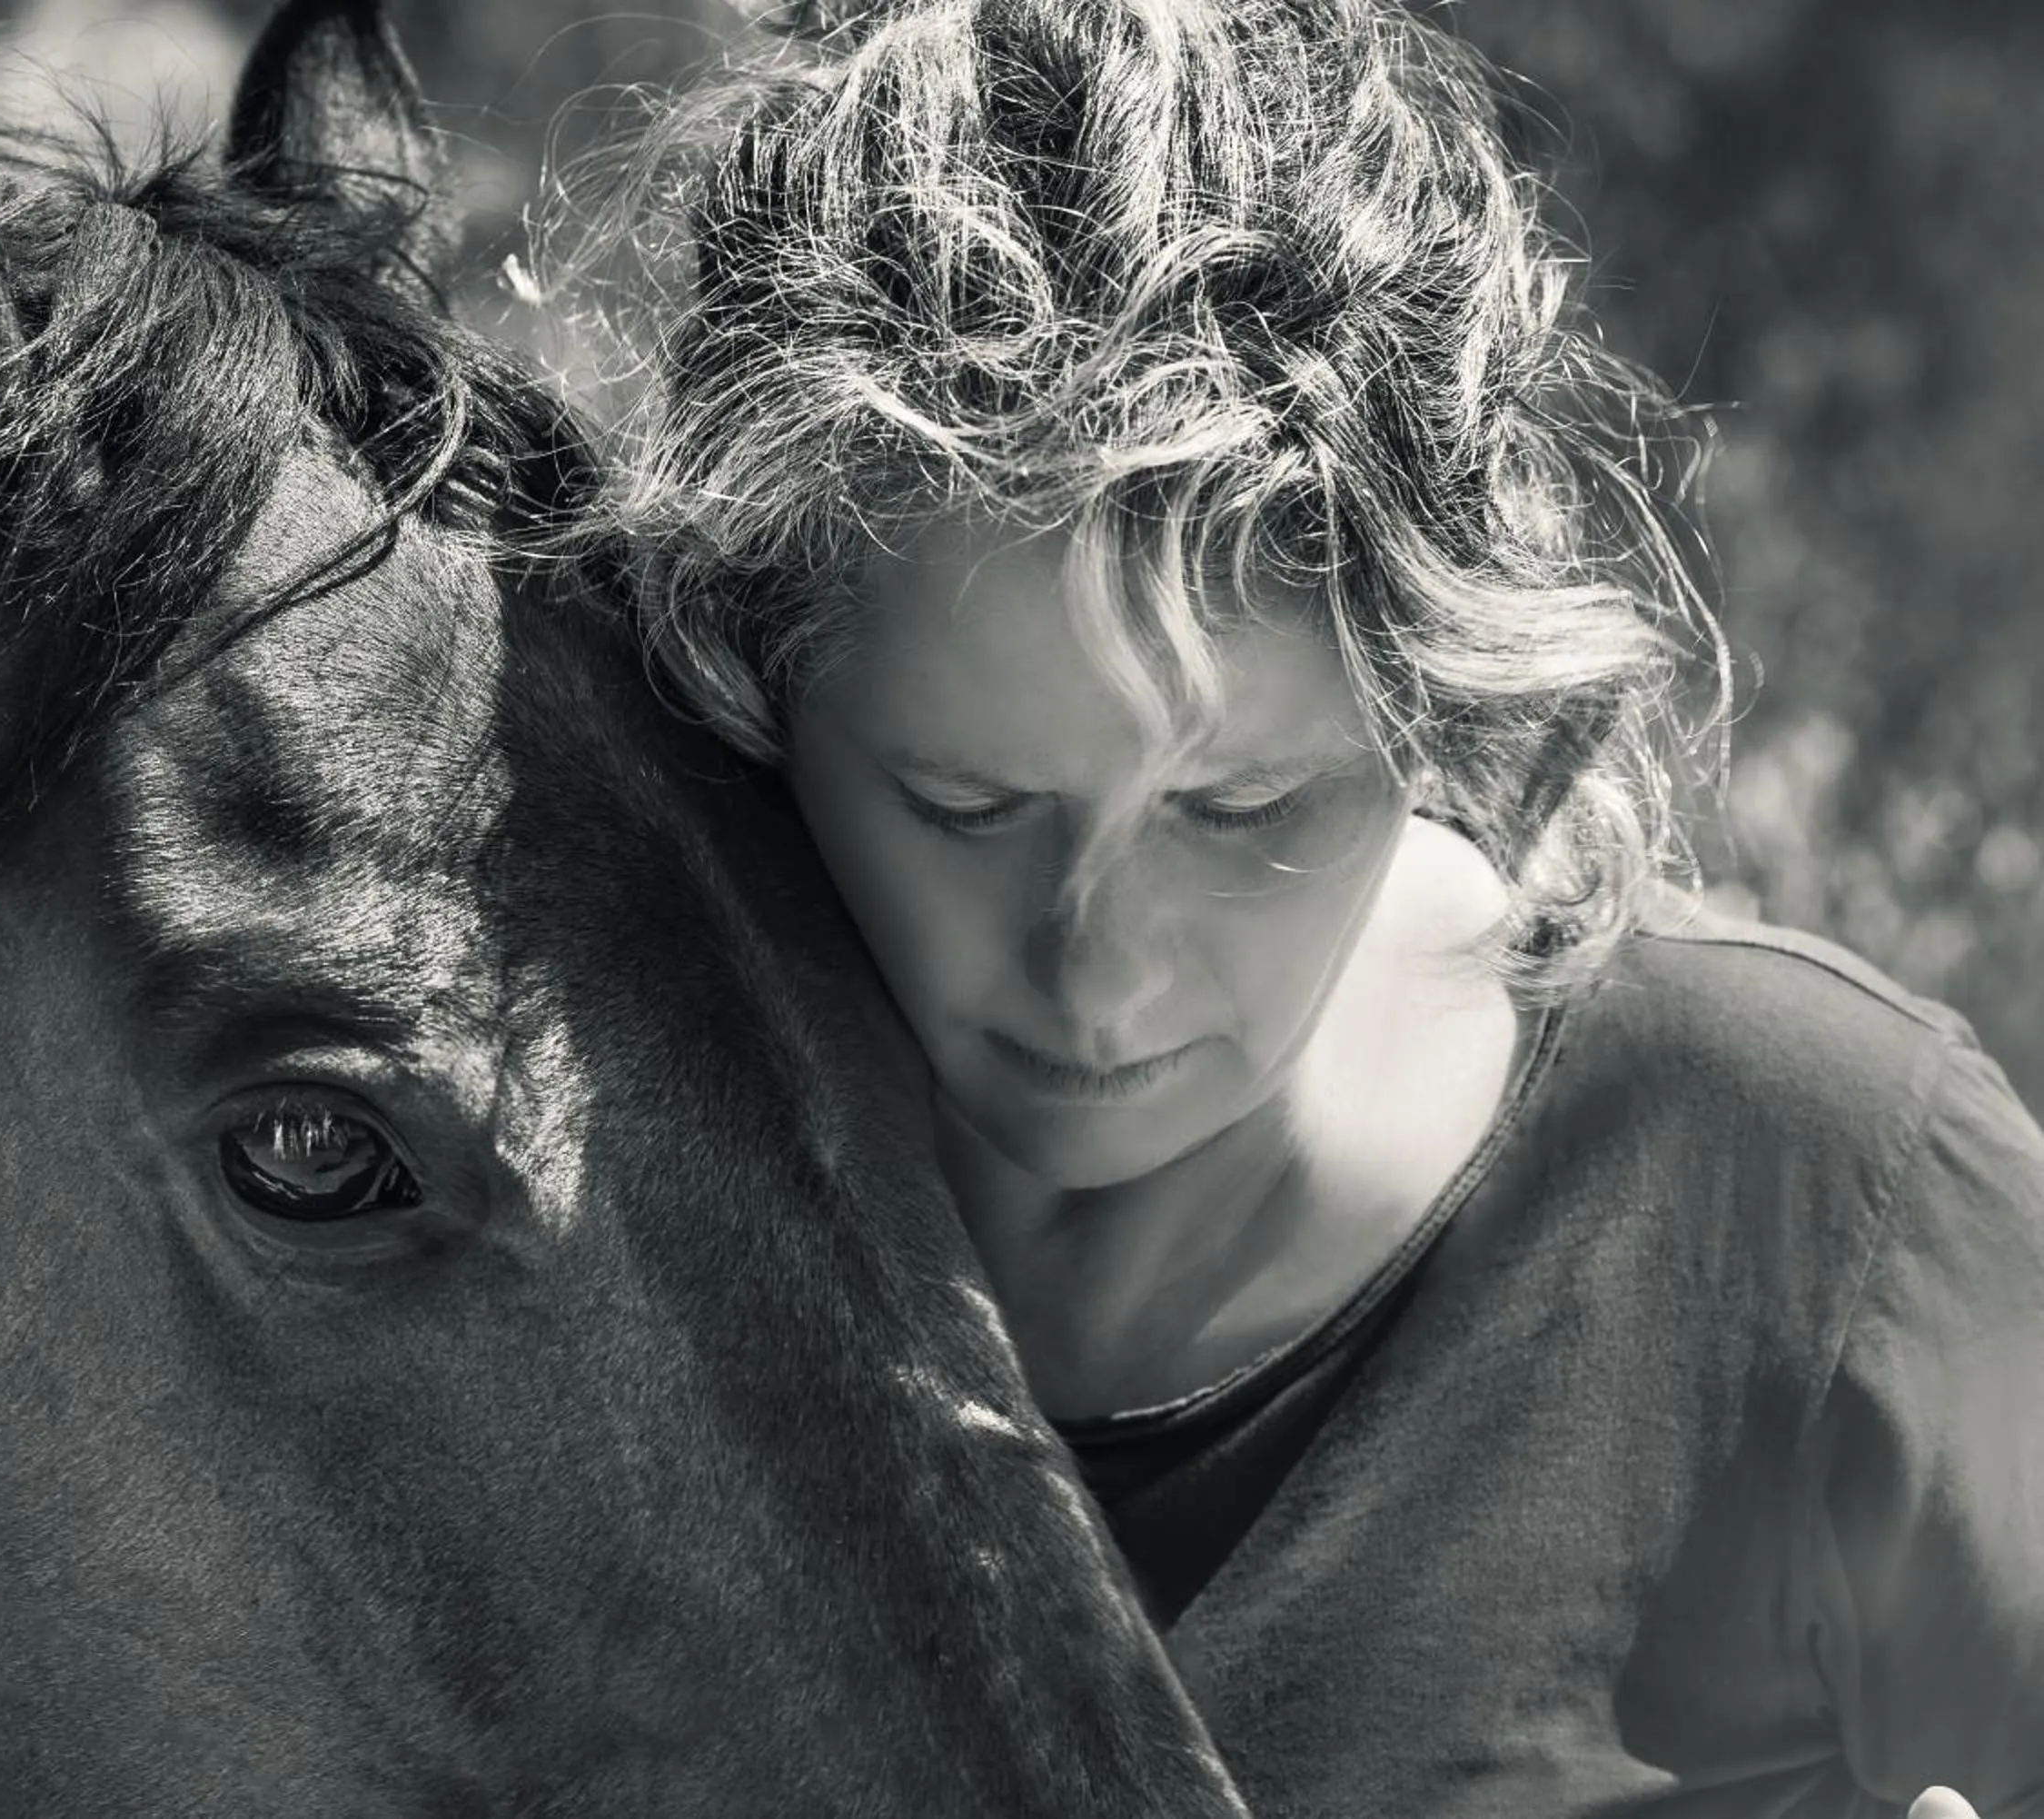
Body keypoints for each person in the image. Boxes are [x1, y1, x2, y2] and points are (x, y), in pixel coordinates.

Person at [547, 0, 2044, 1813]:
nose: (1097, 973)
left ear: (1429, 689)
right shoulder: (559, 1200)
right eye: (964, 807)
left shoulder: (1827, 1186)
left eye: (1240, 808)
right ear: (752, 687)